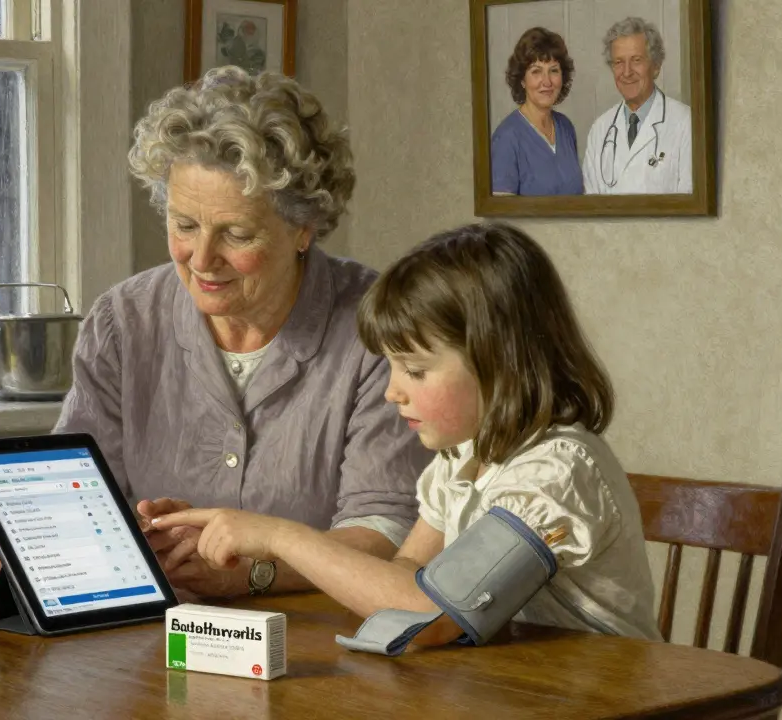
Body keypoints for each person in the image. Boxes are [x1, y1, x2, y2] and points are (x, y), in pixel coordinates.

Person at [0, 66, 432, 600]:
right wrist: (52, 539)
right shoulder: (123, 321)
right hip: (152, 639)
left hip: (325, 642)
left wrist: (252, 570)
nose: (201, 259)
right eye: (184, 225)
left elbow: (385, 533)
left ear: (304, 227)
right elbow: (78, 496)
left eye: (236, 234)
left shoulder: (377, 329)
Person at [151, 222, 661, 643]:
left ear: (499, 364)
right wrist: (254, 550)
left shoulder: (556, 474)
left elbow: (430, 613)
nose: (393, 391)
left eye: (415, 371)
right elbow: (401, 581)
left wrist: (279, 536)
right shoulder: (461, 464)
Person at [582, 17, 693, 195]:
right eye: (619, 62)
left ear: (656, 66)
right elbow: (591, 202)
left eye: (636, 60)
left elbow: (691, 202)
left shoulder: (686, 122)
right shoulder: (600, 129)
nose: (626, 72)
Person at [490, 27, 584, 196]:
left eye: (554, 70)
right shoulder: (506, 139)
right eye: (536, 71)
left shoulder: (565, 127)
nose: (546, 82)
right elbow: (501, 219)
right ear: (522, 80)